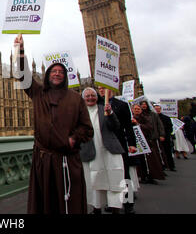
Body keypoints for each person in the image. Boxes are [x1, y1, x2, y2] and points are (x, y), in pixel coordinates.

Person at [14, 34, 93, 214]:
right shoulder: (38, 92)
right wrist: (20, 52)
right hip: (43, 159)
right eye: (53, 71)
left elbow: (87, 129)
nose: (57, 74)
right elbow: (23, 76)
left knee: (68, 202)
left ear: (65, 77)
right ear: (47, 74)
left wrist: (73, 139)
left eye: (61, 72)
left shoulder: (76, 98)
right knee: (45, 203)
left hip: (67, 158)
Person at [80, 88, 125, 214]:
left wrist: (110, 113)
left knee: (114, 178)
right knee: (94, 180)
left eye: (92, 95)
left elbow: (116, 126)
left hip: (109, 150)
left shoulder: (103, 108)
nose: (90, 98)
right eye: (87, 96)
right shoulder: (79, 113)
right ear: (83, 98)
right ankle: (96, 207)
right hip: (91, 151)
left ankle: (115, 207)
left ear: (97, 97)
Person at [97, 86, 137, 214]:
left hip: (119, 143)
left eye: (104, 88)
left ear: (111, 89)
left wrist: (132, 143)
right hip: (102, 144)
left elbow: (128, 127)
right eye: (99, 88)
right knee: (107, 176)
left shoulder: (122, 105)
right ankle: (112, 203)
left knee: (125, 175)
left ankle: (128, 204)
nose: (101, 90)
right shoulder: (97, 105)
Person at [131, 104, 165, 184]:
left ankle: (150, 176)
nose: (137, 110)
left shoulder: (145, 118)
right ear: (132, 110)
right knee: (139, 160)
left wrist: (138, 124)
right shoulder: (131, 118)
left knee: (149, 160)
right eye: (135, 109)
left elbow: (150, 127)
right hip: (136, 142)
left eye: (138, 109)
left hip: (146, 141)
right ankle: (142, 177)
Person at [140, 100, 167, 170]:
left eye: (145, 104)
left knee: (157, 153)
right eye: (142, 104)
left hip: (154, 136)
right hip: (144, 138)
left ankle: (161, 166)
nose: (144, 105)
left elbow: (160, 125)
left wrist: (162, 134)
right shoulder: (139, 115)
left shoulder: (153, 114)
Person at [154, 104, 176, 171]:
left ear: (160, 109)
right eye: (156, 109)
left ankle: (171, 166)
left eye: (158, 108)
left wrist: (164, 135)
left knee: (168, 152)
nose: (157, 110)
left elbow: (170, 128)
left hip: (165, 137)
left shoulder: (166, 118)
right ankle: (161, 166)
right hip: (156, 137)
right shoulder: (153, 117)